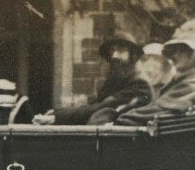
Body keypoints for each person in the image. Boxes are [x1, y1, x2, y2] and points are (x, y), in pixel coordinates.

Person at [113, 19, 195, 126]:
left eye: (184, 50)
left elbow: (159, 110)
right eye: (175, 50)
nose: (175, 55)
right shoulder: (184, 80)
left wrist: (122, 118)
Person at [32, 42, 165, 126]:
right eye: (112, 51)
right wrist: (57, 113)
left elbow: (103, 107)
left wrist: (58, 118)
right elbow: (94, 104)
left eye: (121, 49)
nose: (114, 55)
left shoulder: (139, 84)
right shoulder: (120, 81)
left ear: (134, 56)